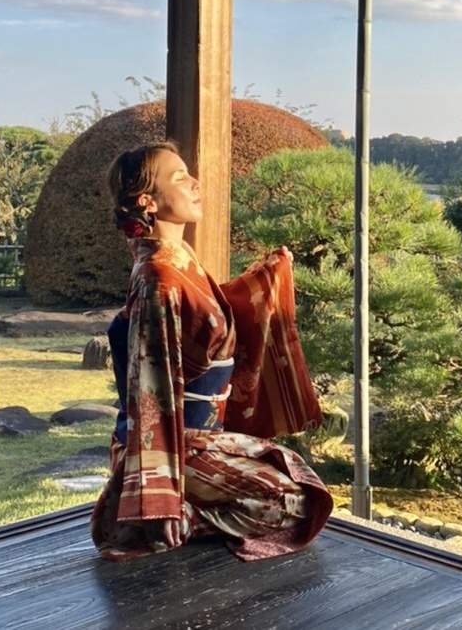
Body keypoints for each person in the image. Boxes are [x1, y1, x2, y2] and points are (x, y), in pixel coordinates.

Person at [90, 140, 333, 562]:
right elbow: (152, 389)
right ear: (148, 200)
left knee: (300, 476)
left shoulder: (178, 258)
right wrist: (158, 495)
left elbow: (212, 317)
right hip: (172, 442)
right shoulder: (158, 281)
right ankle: (167, 514)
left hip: (203, 438)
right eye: (179, 177)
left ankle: (182, 506)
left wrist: (266, 280)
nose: (195, 183)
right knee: (293, 503)